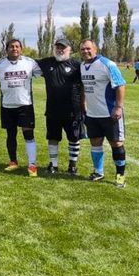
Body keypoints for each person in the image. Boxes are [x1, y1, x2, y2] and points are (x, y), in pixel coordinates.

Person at [79, 39, 128, 188]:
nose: (85, 51)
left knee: (116, 143)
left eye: (88, 48)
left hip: (110, 113)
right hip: (92, 114)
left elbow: (120, 85)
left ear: (95, 49)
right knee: (95, 143)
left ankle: (120, 176)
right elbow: (83, 86)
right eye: (82, 49)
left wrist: (119, 107)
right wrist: (83, 103)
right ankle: (98, 172)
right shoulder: (82, 66)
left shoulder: (107, 64)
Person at [0, 39, 42, 177]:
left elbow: (42, 74)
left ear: (21, 49)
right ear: (6, 49)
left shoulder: (30, 62)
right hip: (7, 105)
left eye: (17, 46)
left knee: (28, 135)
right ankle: (13, 162)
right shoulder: (0, 64)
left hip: (25, 105)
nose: (14, 49)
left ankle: (32, 165)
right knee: (10, 134)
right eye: (11, 47)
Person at [36, 38, 83, 175]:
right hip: (52, 109)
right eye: (58, 47)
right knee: (53, 138)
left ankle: (72, 166)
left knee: (74, 138)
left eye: (63, 47)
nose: (60, 50)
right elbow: (27, 62)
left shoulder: (76, 65)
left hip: (72, 110)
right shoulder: (46, 63)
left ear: (70, 50)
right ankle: (53, 165)